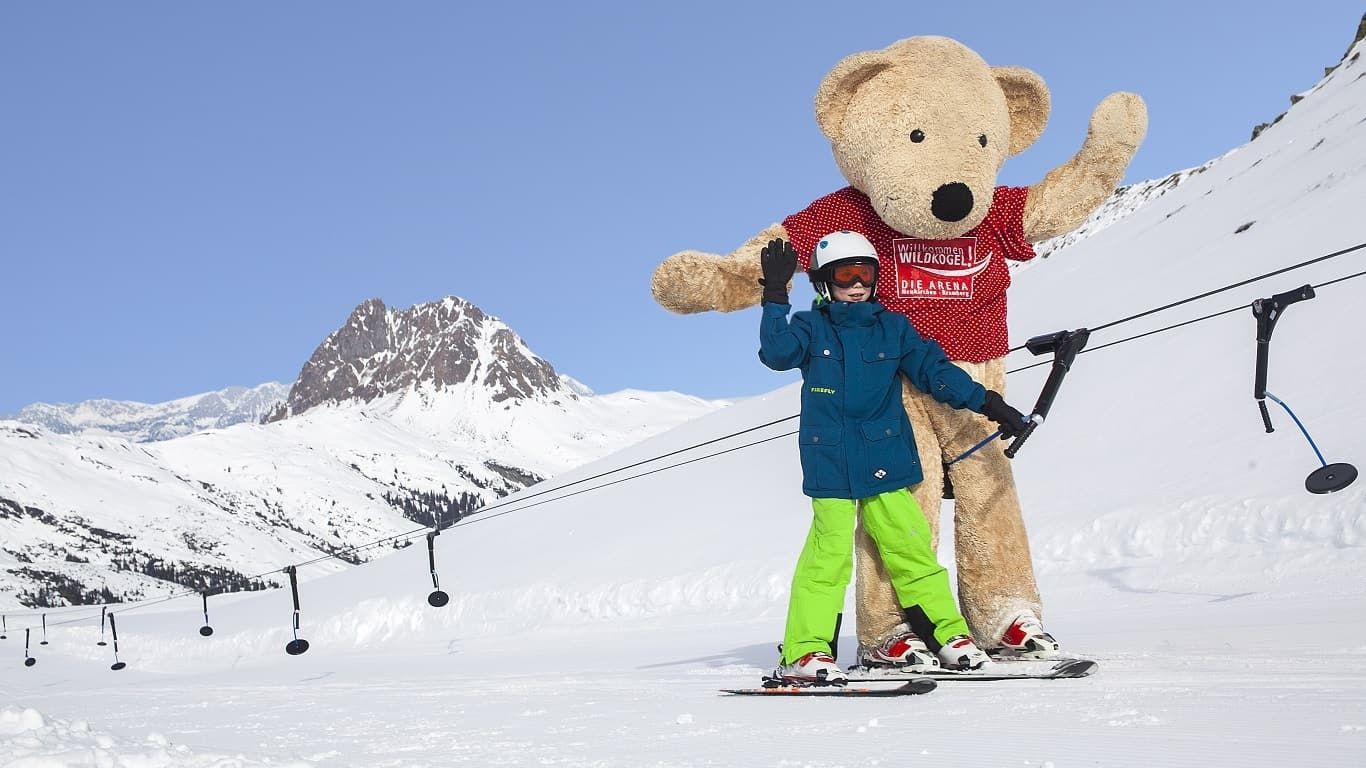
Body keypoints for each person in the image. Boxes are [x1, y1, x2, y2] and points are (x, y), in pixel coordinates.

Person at [757, 231, 1030, 685]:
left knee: (910, 548)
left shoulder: (894, 328)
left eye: (866, 274)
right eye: (846, 275)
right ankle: (805, 652)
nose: (857, 284)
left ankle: (950, 637)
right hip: (831, 461)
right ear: (826, 283)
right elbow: (776, 353)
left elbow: (936, 373)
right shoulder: (810, 327)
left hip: (885, 456)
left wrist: (989, 403)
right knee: (827, 558)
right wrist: (774, 296)